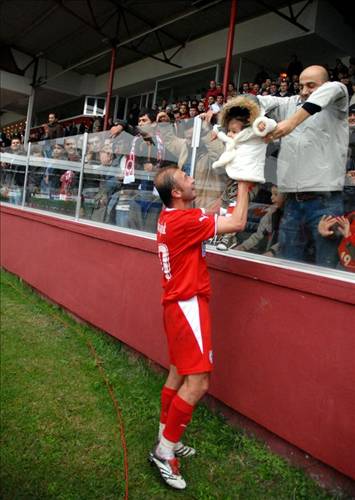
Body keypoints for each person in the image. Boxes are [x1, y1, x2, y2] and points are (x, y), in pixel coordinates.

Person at [149, 165, 250, 490]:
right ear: (176, 192)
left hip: (176, 305)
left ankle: (166, 438)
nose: (192, 179)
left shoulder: (171, 217)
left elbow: (205, 216)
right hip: (188, 306)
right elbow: (238, 223)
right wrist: (246, 183)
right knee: (199, 383)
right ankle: (164, 452)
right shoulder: (186, 221)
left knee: (178, 372)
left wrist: (223, 196)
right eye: (186, 178)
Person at [259, 65, 349, 267]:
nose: (305, 91)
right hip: (293, 203)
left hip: (325, 203)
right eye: (301, 86)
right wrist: (230, 113)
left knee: (326, 269)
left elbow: (333, 88)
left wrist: (291, 123)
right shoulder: (292, 102)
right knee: (288, 266)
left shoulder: (337, 98)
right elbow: (260, 101)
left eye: (311, 85)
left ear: (324, 84)